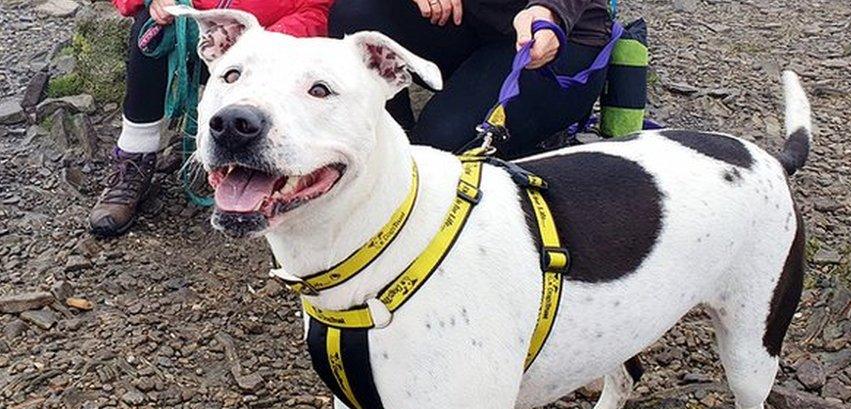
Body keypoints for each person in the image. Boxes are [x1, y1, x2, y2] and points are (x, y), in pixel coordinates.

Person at [91, 0, 333, 238]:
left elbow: (319, 9)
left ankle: (275, 174)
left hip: (270, 54)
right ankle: (135, 157)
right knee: (149, 27)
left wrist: (259, 42)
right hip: (193, 35)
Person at [328, 0, 611, 159]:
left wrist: (549, 12)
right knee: (356, 13)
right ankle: (385, 144)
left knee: (438, 148)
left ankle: (537, 137)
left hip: (558, 36)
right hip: (467, 24)